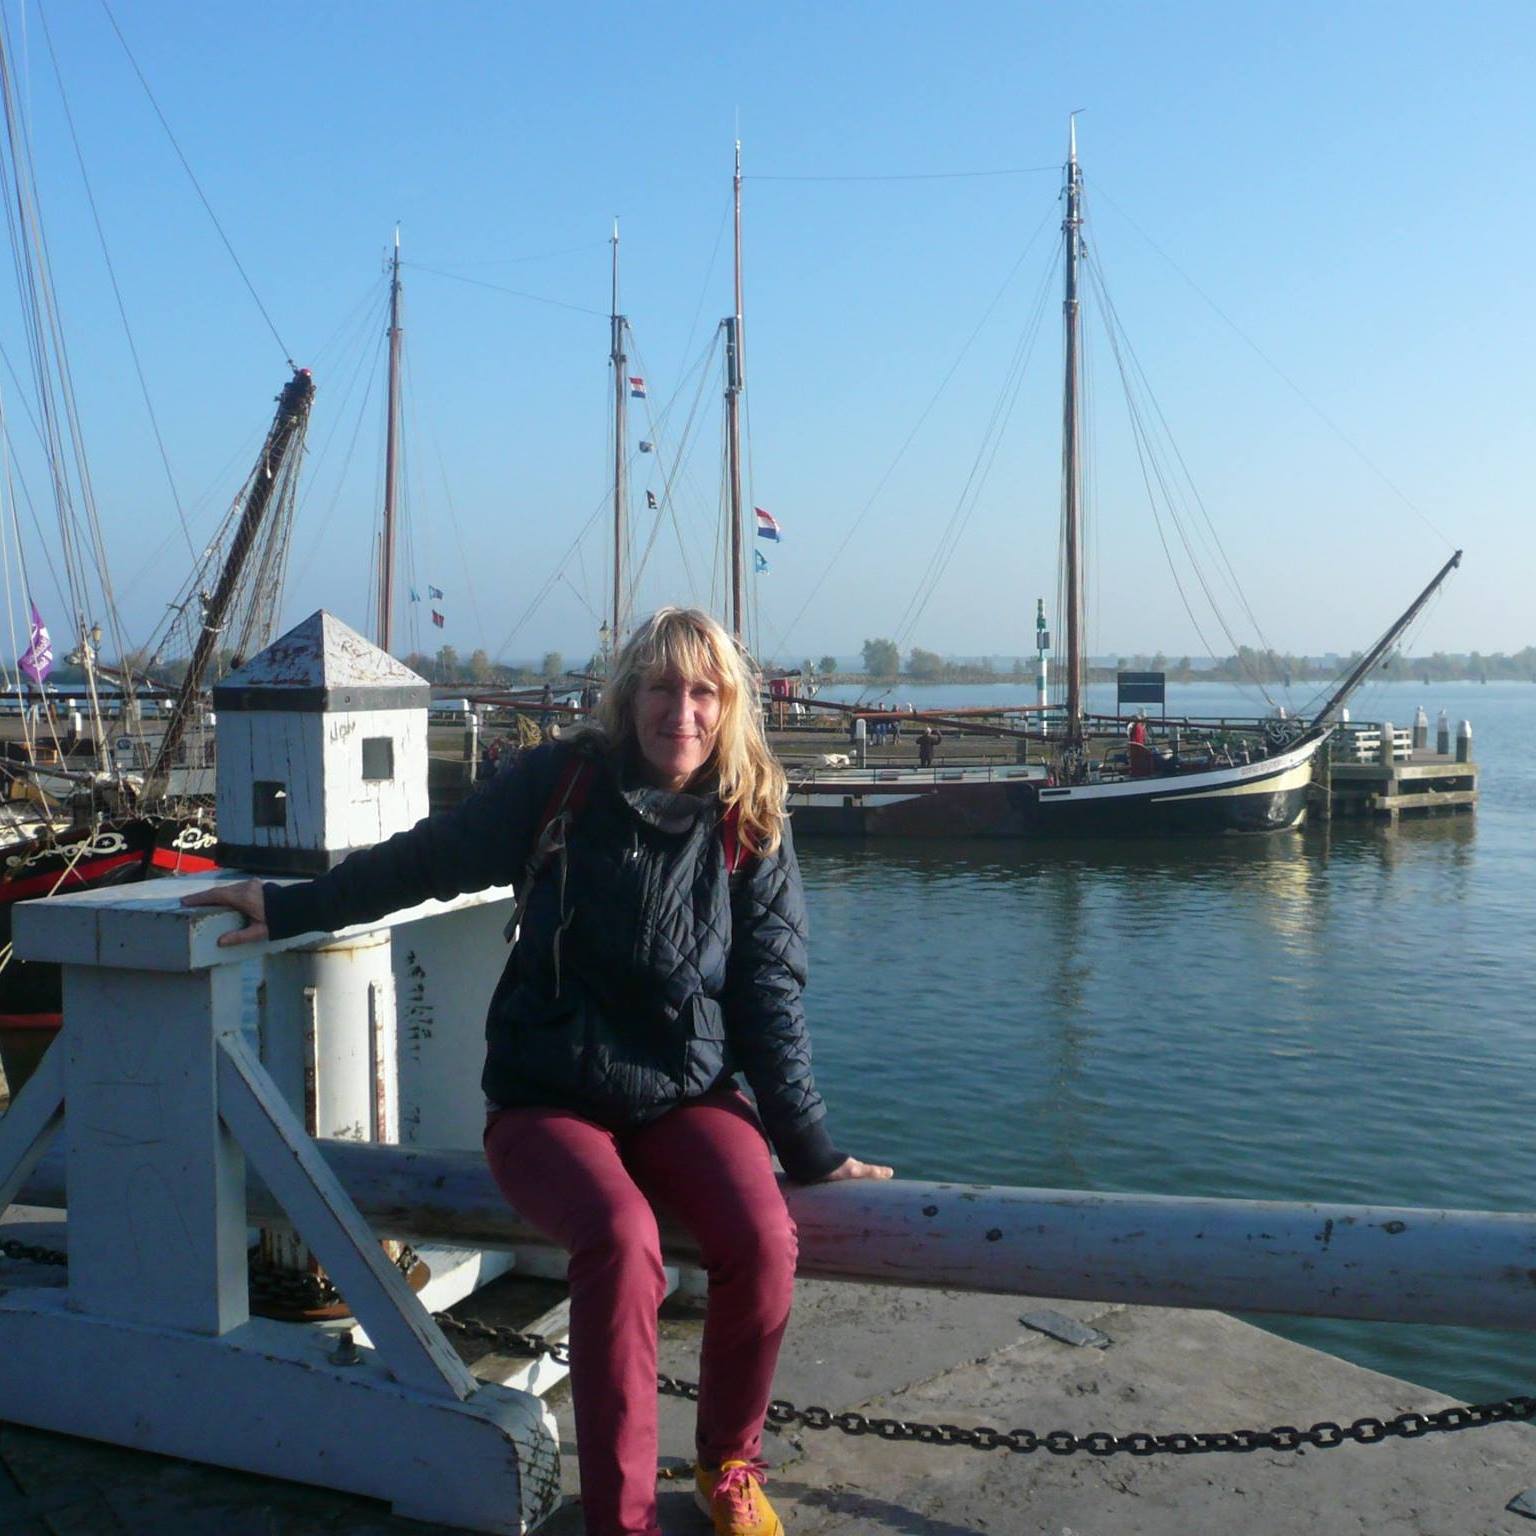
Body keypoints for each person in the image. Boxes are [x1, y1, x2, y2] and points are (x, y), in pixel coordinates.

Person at [183, 606, 892, 1536]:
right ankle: (622, 1520)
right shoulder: (561, 786)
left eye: (703, 692)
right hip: (547, 1096)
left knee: (764, 1239)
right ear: (629, 694)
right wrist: (295, 907)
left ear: (727, 708)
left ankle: (729, 1462)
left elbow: (770, 995)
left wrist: (809, 1148)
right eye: (662, 687)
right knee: (621, 1242)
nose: (681, 710)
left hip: (685, 1092)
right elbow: (430, 861)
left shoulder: (748, 820)